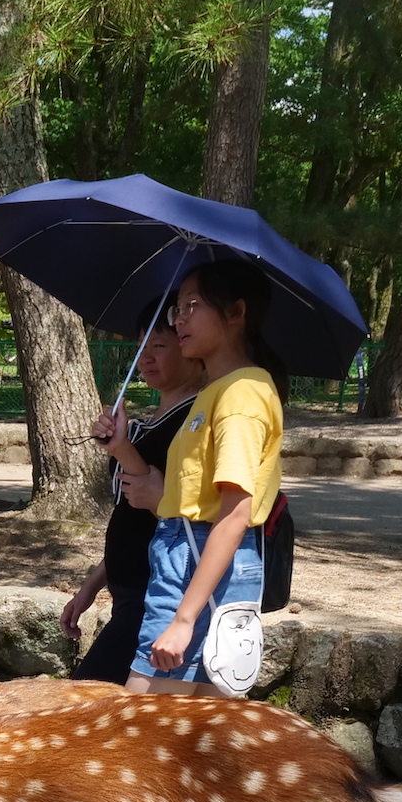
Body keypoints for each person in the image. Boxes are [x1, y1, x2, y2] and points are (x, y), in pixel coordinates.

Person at [131, 260, 287, 697]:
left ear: (236, 312)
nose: (178, 318)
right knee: (190, 733)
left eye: (191, 305)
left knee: (139, 723)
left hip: (199, 563)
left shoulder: (241, 395)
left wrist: (183, 620)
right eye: (176, 309)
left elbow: (235, 514)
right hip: (185, 558)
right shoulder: (216, 392)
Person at [60, 313, 205, 682]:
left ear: (189, 348)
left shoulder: (194, 422)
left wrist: (122, 448)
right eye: (142, 347)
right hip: (128, 596)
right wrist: (90, 587)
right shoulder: (144, 425)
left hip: (158, 594)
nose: (146, 358)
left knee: (88, 701)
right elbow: (132, 520)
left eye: (159, 346)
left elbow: (177, 519)